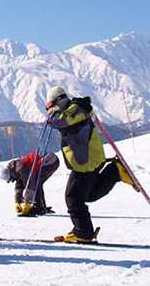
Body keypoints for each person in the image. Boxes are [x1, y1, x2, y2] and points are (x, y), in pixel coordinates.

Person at [45, 86, 134, 242]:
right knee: (87, 195)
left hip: (85, 161)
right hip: (88, 158)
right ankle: (114, 172)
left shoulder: (74, 112)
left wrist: (52, 114)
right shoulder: (75, 109)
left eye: (50, 105)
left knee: (73, 197)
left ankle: (83, 232)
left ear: (58, 100)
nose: (49, 110)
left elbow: (57, 122)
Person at [0, 151, 60, 216]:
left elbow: (30, 186)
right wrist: (18, 202)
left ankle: (40, 207)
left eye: (11, 179)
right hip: (47, 160)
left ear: (11, 174)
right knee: (37, 183)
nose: (12, 181)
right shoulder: (16, 169)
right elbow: (19, 186)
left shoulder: (22, 169)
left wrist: (27, 203)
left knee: (36, 183)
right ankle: (41, 206)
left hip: (51, 161)